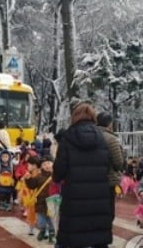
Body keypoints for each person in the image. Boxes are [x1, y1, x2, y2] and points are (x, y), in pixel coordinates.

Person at [53, 101, 113, 248]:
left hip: (74, 199)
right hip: (100, 198)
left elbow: (58, 174)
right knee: (97, 237)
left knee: (74, 238)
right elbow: (109, 167)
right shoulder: (102, 139)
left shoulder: (67, 139)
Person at [97, 112, 124, 221]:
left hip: (90, 178)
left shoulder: (89, 135)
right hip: (108, 179)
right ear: (110, 124)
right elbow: (118, 163)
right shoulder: (112, 139)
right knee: (107, 209)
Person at [25, 155, 56, 244]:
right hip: (40, 202)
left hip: (52, 201)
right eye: (44, 164)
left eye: (49, 163)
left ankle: (52, 234)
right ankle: (42, 230)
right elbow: (32, 185)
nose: (47, 165)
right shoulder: (39, 176)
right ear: (41, 166)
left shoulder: (56, 176)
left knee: (51, 220)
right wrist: (28, 179)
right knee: (41, 220)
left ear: (53, 164)